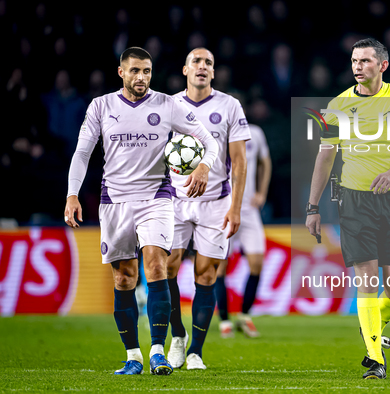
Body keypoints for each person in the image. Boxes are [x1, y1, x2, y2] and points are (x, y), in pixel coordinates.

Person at [63, 47, 219, 376]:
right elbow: (82, 152)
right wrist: (72, 194)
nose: (141, 77)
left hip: (156, 199)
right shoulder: (102, 106)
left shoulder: (167, 105)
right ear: (121, 72)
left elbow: (209, 140)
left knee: (156, 266)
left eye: (147, 71)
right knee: (124, 278)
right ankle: (133, 356)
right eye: (135, 71)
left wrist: (204, 165)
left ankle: (158, 352)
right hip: (115, 202)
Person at [305, 38, 390, 379]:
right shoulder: (337, 104)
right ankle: (376, 359)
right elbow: (325, 157)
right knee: (367, 281)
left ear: (382, 66)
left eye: (366, 61)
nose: (358, 66)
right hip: (355, 202)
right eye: (355, 61)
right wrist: (312, 207)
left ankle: (370, 325)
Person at [165, 48, 250, 371]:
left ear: (213, 73)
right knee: (168, 268)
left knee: (207, 275)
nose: (202, 67)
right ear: (185, 70)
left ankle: (196, 352)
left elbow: (239, 161)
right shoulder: (168, 105)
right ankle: (177, 337)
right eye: (196, 62)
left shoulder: (229, 106)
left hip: (216, 204)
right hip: (175, 201)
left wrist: (236, 208)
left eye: (208, 64)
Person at [215, 123, 272, 338]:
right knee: (220, 266)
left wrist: (262, 192)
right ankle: (224, 321)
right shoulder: (215, 131)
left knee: (257, 263)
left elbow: (265, 162)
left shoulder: (255, 132)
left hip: (248, 209)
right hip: (222, 209)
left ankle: (244, 316)